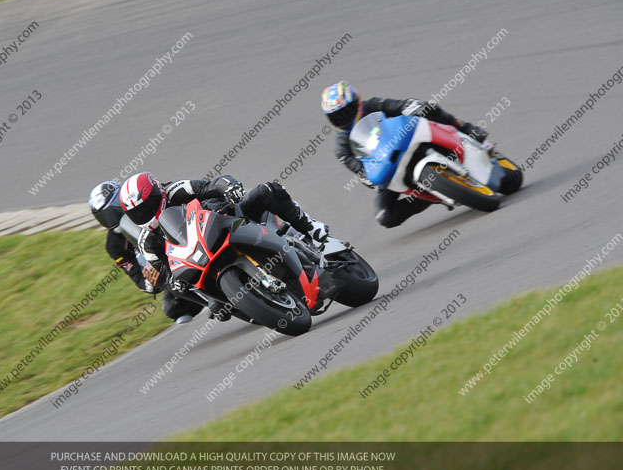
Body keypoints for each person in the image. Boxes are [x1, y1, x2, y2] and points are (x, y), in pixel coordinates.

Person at [118, 173, 329, 319]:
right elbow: (165, 273)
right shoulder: (147, 242)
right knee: (177, 285)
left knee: (267, 190)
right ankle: (214, 300)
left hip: (231, 219)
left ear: (157, 193)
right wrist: (174, 282)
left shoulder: (176, 190)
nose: (144, 214)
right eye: (137, 213)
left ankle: (310, 227)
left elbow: (212, 185)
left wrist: (229, 187)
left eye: (146, 206)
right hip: (199, 258)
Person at [321, 81, 489, 228]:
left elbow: (400, 105)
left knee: (429, 108)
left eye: (346, 111)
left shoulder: (372, 105)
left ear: (356, 102)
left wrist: (414, 107)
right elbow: (360, 171)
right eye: (336, 116)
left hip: (408, 140)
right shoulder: (341, 148)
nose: (343, 118)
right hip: (388, 166)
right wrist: (370, 178)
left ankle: (466, 129)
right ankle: (431, 196)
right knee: (385, 216)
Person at [89, 180, 203, 324]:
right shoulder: (114, 246)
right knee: (172, 307)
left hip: (187, 233)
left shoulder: (142, 199)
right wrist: (149, 282)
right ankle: (214, 301)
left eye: (116, 208)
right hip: (164, 262)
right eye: (106, 216)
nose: (115, 216)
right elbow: (134, 273)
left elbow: (172, 190)